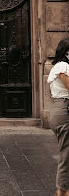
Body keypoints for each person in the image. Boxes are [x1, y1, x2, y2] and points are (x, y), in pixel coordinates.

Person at [47, 38, 69, 196]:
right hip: (63, 110)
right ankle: (62, 191)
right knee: (67, 153)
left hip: (59, 108)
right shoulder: (63, 66)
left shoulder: (59, 66)